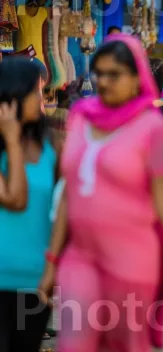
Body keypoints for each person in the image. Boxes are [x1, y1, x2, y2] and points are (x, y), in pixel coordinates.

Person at [41, 35, 163, 352]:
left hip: (132, 261)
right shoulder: (81, 118)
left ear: (136, 77)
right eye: (98, 73)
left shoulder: (154, 128)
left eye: (113, 74)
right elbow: (68, 193)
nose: (103, 82)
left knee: (127, 345)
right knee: (75, 344)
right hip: (80, 258)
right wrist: (51, 262)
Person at [0, 58, 54, 352]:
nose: (41, 99)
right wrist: (11, 138)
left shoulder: (49, 146)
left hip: (36, 281)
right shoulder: (10, 145)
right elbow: (16, 199)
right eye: (34, 92)